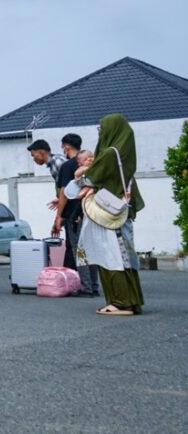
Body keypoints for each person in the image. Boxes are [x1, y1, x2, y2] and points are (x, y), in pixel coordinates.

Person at [74, 114, 145, 316]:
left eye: (102, 129)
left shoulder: (109, 155)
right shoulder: (126, 154)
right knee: (126, 259)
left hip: (108, 216)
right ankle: (133, 301)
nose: (100, 133)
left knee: (111, 257)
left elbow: (88, 180)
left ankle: (120, 303)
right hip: (121, 212)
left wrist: (80, 174)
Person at [51, 133, 100, 297]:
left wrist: (59, 216)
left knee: (80, 250)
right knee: (91, 250)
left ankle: (86, 287)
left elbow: (64, 193)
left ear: (66, 146)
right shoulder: (95, 166)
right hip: (93, 212)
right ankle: (94, 285)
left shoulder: (67, 166)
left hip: (76, 214)